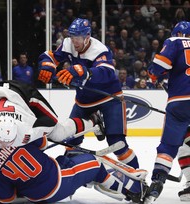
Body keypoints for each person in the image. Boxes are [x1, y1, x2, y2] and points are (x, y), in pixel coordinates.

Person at [0, 80, 147, 204]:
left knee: (58, 133)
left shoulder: (26, 127)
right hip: (53, 182)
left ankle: (93, 122)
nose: (6, 146)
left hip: (25, 96)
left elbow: (48, 131)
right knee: (93, 163)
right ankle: (132, 190)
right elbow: (40, 144)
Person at [37, 18, 140, 169]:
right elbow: (51, 56)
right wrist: (47, 65)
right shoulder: (68, 44)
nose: (74, 41)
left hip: (109, 98)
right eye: (72, 37)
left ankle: (138, 176)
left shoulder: (100, 50)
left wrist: (84, 72)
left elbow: (107, 73)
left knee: (117, 143)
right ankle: (69, 174)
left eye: (78, 38)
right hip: (84, 100)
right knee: (71, 140)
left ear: (87, 37)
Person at [143, 21, 190, 204]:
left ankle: (157, 183)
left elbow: (159, 65)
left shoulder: (175, 41)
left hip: (180, 103)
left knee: (169, 146)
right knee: (187, 143)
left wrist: (154, 75)